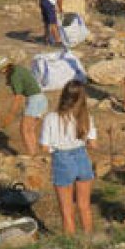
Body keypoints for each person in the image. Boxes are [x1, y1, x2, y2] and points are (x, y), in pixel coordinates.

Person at [39, 80, 97, 235]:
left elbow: (44, 147)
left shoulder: (51, 118)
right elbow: (93, 144)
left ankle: (70, 244)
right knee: (84, 206)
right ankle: (89, 239)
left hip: (62, 159)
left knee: (66, 209)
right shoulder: (86, 117)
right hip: (82, 158)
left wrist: (55, 149)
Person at [0, 56, 46, 157]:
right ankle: (34, 154)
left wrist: (10, 115)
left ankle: (32, 155)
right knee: (30, 130)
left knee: (24, 129)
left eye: (0, 71)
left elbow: (18, 98)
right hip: (42, 99)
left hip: (34, 100)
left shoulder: (14, 76)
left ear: (3, 68)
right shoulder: (18, 69)